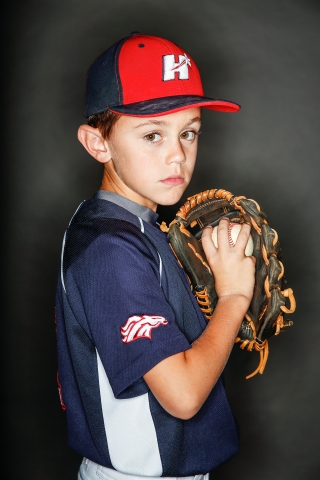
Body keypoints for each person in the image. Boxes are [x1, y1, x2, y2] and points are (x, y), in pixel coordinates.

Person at [55, 32, 256, 480]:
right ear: (97, 143)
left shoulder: (131, 226)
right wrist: (234, 298)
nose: (177, 155)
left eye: (189, 132)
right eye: (152, 134)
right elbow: (182, 396)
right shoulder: (109, 248)